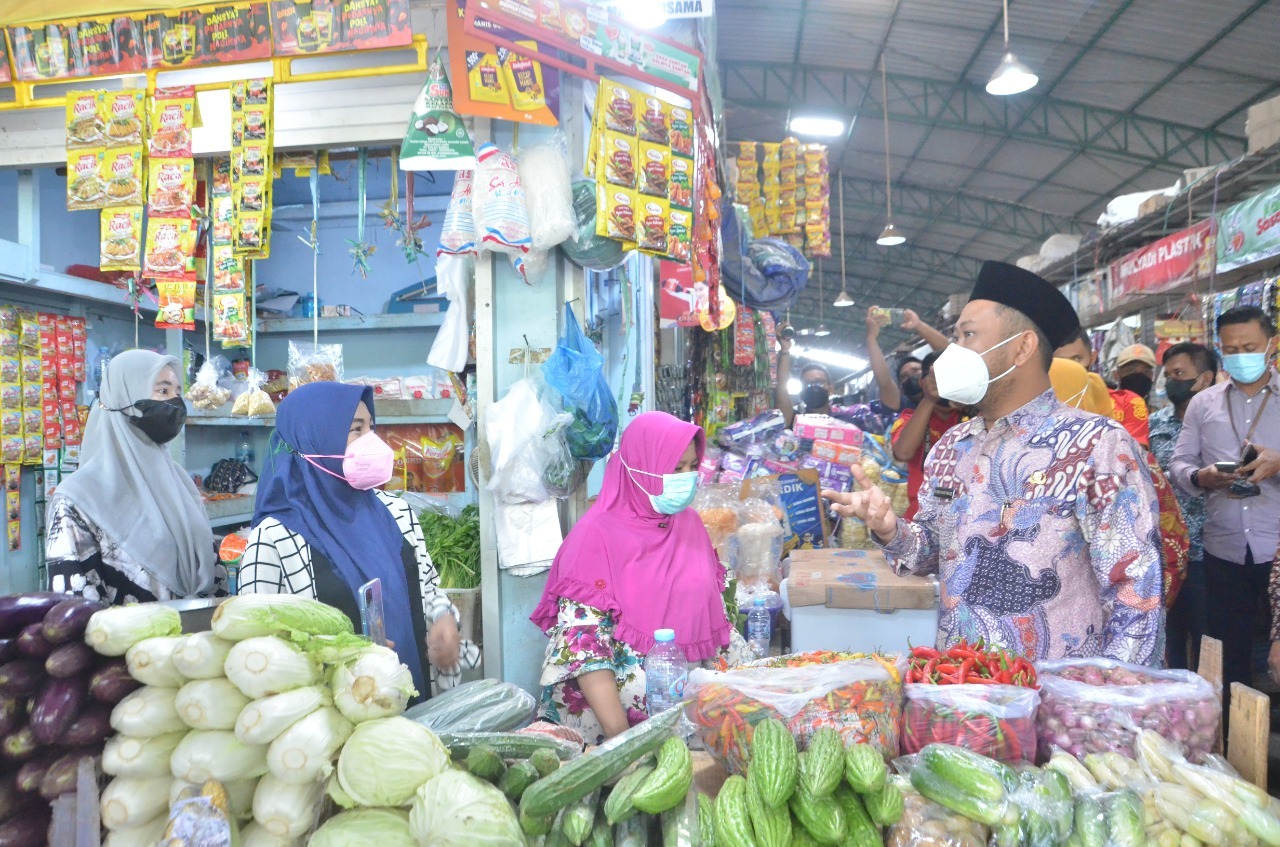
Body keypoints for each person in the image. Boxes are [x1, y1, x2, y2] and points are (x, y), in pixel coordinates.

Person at [824, 261, 1164, 664]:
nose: (954, 351)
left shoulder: (1097, 446)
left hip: (1054, 701)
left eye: (968, 335)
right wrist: (889, 529)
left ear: (1021, 348)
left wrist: (1104, 707)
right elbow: (932, 553)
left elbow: (1136, 592)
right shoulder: (952, 446)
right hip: (963, 691)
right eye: (956, 336)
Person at [238, 382, 472, 696]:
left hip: (414, 706)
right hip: (331, 721)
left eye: (371, 428)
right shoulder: (275, 538)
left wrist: (443, 617)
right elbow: (257, 645)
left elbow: (427, 588)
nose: (371, 441)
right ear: (315, 437)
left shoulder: (397, 513)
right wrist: (339, 653)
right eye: (356, 430)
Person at [530, 412, 749, 741]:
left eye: (692, 467)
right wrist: (623, 744)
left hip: (684, 729)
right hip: (607, 737)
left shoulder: (689, 525)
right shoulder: (595, 538)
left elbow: (714, 619)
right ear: (640, 468)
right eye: (676, 469)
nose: (687, 478)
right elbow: (584, 652)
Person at [47, 350, 223, 605]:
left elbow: (213, 573)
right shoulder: (76, 500)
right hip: (123, 643)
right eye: (163, 391)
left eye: (177, 392)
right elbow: (73, 610)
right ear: (125, 398)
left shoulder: (179, 482)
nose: (175, 403)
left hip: (198, 639)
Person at [1171, 307, 1280, 714]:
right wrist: (1203, 478)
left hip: (1276, 550)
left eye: (1250, 347)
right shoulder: (1203, 405)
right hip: (1224, 549)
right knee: (1228, 654)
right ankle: (1236, 742)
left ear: (1270, 345)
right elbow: (1179, 466)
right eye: (1231, 349)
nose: (1241, 356)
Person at [1050, 357, 1189, 641]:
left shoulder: (1125, 457)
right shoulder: (1028, 460)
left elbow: (1169, 542)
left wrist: (1134, 622)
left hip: (1111, 632)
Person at [1149, 342, 1217, 670]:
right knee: (1169, 639)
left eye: (1180, 374)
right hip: (1165, 553)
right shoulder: (1155, 423)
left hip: (1208, 549)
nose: (1171, 382)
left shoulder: (1221, 422)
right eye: (1168, 375)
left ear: (1204, 379)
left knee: (1208, 638)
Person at [890, 351, 965, 520]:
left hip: (966, 515)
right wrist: (930, 399)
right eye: (937, 377)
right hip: (922, 517)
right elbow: (903, 453)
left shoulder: (976, 416)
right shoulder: (909, 419)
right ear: (923, 383)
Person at [1056, 331, 1152, 446]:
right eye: (1062, 361)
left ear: (1093, 357)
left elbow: (1133, 453)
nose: (1071, 367)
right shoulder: (1041, 403)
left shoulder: (1128, 402)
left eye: (1077, 359)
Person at [866, 306, 949, 415]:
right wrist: (871, 337)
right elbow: (884, 381)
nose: (911, 376)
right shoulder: (901, 404)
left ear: (929, 371)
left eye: (915, 370)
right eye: (904, 376)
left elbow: (948, 354)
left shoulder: (945, 392)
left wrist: (918, 325)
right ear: (901, 388)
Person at [775, 343, 834, 427]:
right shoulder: (796, 420)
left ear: (830, 389)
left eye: (819, 382)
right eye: (807, 383)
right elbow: (782, 389)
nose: (814, 387)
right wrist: (785, 351)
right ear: (801, 391)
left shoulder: (845, 421)